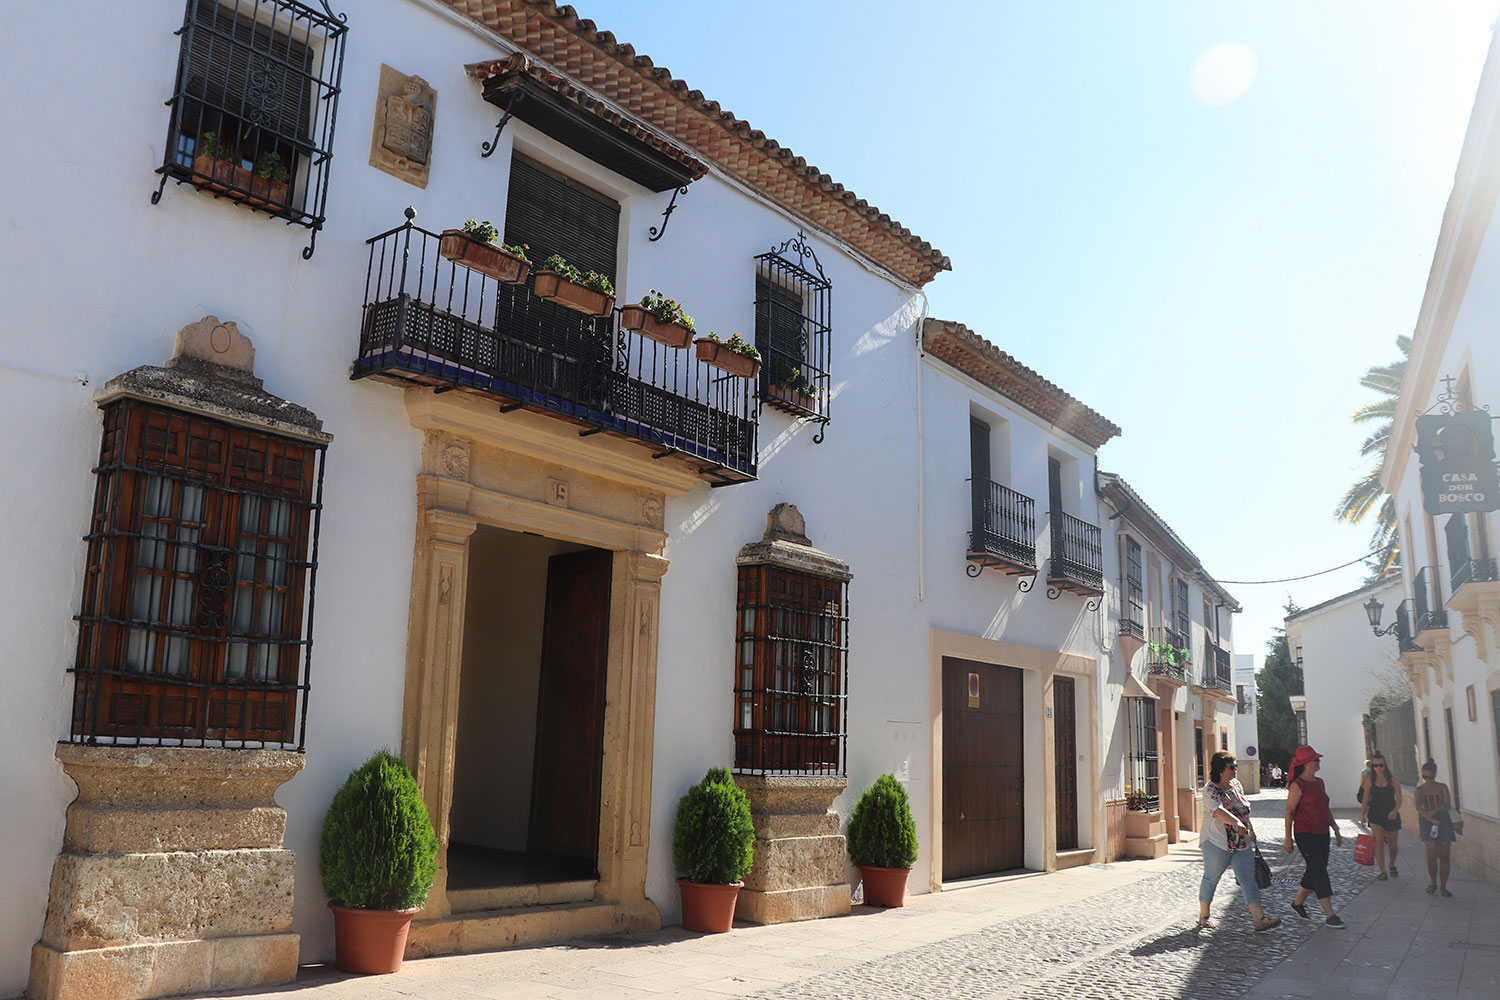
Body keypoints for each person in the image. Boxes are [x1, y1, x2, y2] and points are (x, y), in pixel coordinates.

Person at [1198, 750, 1281, 933]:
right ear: (1220, 769)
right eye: (1231, 766)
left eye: (1236, 766)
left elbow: (1243, 808)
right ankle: (1204, 917)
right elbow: (1218, 811)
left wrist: (1249, 828)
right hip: (1217, 842)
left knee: (1248, 879)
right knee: (1211, 878)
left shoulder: (1236, 785)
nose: (1235, 769)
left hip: (1241, 842)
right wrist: (1235, 822)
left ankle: (1260, 919)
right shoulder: (1210, 789)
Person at [1282, 745, 1346, 929]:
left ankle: (1298, 903)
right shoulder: (1297, 785)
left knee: (1316, 867)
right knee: (1319, 870)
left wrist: (1335, 828)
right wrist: (1288, 838)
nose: (1319, 761)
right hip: (1304, 832)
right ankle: (1330, 914)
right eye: (1316, 759)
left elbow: (1325, 808)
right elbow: (1289, 812)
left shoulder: (1320, 783)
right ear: (1306, 763)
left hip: (1322, 831)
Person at [1414, 760, 1456, 897]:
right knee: (1431, 854)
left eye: (1430, 777)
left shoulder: (1442, 787)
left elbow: (1447, 803)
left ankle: (1444, 886)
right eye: (1425, 777)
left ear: (1435, 775)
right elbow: (1418, 807)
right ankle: (1433, 883)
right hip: (1427, 821)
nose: (1428, 780)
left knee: (1444, 856)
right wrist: (1430, 817)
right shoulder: (1420, 790)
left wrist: (1435, 811)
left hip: (1443, 820)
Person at [1359, 751, 1403, 879]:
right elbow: (1366, 798)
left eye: (1381, 765)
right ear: (1372, 767)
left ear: (1385, 765)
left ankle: (1392, 864)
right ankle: (1383, 871)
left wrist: (1395, 810)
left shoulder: (1394, 780)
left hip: (1391, 814)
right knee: (1378, 842)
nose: (1378, 768)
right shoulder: (1370, 780)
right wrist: (1362, 815)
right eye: (1375, 766)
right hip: (1375, 814)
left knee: (1393, 845)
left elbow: (1399, 799)